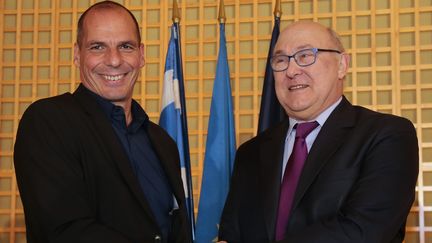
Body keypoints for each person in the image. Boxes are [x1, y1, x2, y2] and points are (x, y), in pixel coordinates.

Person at [218, 21, 419, 243]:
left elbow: (361, 232)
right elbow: (231, 235)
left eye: (305, 55)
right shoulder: (250, 152)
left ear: (342, 65)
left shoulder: (387, 136)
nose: (292, 71)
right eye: (281, 60)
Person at [14, 1, 191, 242]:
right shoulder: (48, 122)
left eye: (125, 46)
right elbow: (65, 230)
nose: (114, 60)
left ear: (141, 55)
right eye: (98, 47)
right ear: (77, 55)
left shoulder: (163, 142)